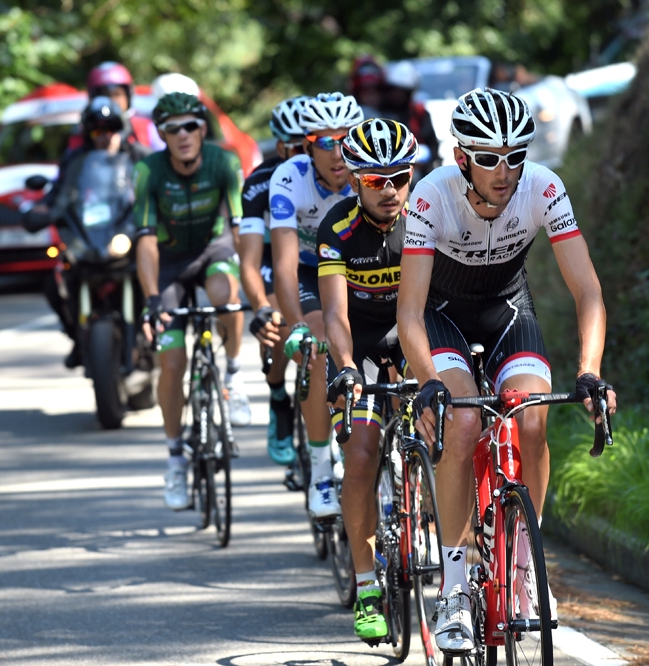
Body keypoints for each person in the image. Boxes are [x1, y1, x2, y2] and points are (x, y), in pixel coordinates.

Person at [396, 88, 617, 653]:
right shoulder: (430, 196)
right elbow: (410, 311)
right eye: (489, 158)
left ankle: (523, 564)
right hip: (441, 318)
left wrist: (590, 372)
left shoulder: (543, 186)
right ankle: (452, 587)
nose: (504, 171)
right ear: (461, 157)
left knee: (532, 417)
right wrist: (427, 381)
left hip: (507, 312)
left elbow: (588, 291)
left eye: (515, 156)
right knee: (464, 424)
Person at [318, 118, 417, 642]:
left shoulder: (424, 219)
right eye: (377, 180)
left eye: (400, 177)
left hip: (412, 335)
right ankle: (367, 587)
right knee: (360, 455)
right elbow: (335, 314)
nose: (391, 190)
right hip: (357, 344)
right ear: (356, 179)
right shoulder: (337, 228)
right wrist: (347, 366)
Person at [133, 92, 251, 511]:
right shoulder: (149, 170)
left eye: (190, 126)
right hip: (167, 263)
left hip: (212, 251)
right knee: (171, 362)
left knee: (226, 296)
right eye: (172, 129)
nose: (182, 135)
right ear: (161, 134)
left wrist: (253, 285)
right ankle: (175, 459)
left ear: (202, 128)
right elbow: (145, 239)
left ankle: (233, 375)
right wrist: (151, 298)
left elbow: (239, 228)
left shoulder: (224, 162)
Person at [268, 92, 364, 518]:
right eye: (326, 142)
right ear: (308, 146)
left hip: (359, 270)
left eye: (346, 140)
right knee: (318, 349)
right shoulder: (289, 178)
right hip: (310, 272)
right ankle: (321, 470)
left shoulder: (371, 173)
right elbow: (284, 265)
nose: (337, 152)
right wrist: (296, 325)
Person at [23, 97, 130, 368]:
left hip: (124, 237)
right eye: (97, 131)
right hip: (87, 242)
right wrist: (42, 212)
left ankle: (158, 334)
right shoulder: (76, 161)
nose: (105, 137)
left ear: (121, 129)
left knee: (157, 269)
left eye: (110, 129)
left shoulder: (137, 156)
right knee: (53, 284)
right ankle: (77, 338)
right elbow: (58, 195)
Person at [237, 96, 310, 465]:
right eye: (296, 147)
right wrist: (261, 307)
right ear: (280, 147)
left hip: (315, 257)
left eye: (310, 145)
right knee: (280, 320)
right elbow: (249, 261)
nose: (304, 155)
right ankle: (279, 393)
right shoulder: (258, 184)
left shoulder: (336, 173)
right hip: (270, 255)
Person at [381, 60, 439, 174]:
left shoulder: (420, 113)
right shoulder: (380, 113)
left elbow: (432, 147)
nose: (396, 95)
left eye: (401, 91)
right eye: (393, 89)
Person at [348, 55, 384, 120]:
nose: (371, 96)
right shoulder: (350, 116)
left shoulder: (392, 115)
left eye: (375, 90)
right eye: (365, 91)